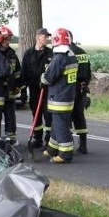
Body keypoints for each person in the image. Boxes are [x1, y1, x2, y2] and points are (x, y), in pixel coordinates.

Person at [41, 28, 78, 163]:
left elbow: (48, 79)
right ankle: (52, 148)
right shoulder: (71, 56)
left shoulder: (59, 59)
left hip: (59, 98)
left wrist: (42, 77)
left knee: (60, 126)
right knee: (57, 125)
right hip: (68, 97)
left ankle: (65, 154)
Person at [20, 27, 53, 148]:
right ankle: (37, 138)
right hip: (34, 90)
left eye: (48, 37)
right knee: (36, 114)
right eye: (45, 36)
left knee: (48, 115)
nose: (47, 39)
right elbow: (24, 73)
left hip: (47, 90)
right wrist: (23, 88)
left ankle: (49, 140)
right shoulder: (29, 53)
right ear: (38, 37)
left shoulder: (51, 53)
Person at [68, 31, 92, 154]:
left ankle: (67, 144)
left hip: (69, 89)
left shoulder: (67, 52)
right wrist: (85, 84)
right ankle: (83, 145)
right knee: (80, 116)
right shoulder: (82, 52)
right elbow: (89, 72)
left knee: (66, 117)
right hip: (82, 89)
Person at [0, 25, 22, 143]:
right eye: (6, 39)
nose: (8, 42)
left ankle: (11, 139)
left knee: (10, 117)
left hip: (10, 92)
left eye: (9, 39)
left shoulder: (12, 54)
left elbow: (18, 72)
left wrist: (17, 85)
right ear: (0, 39)